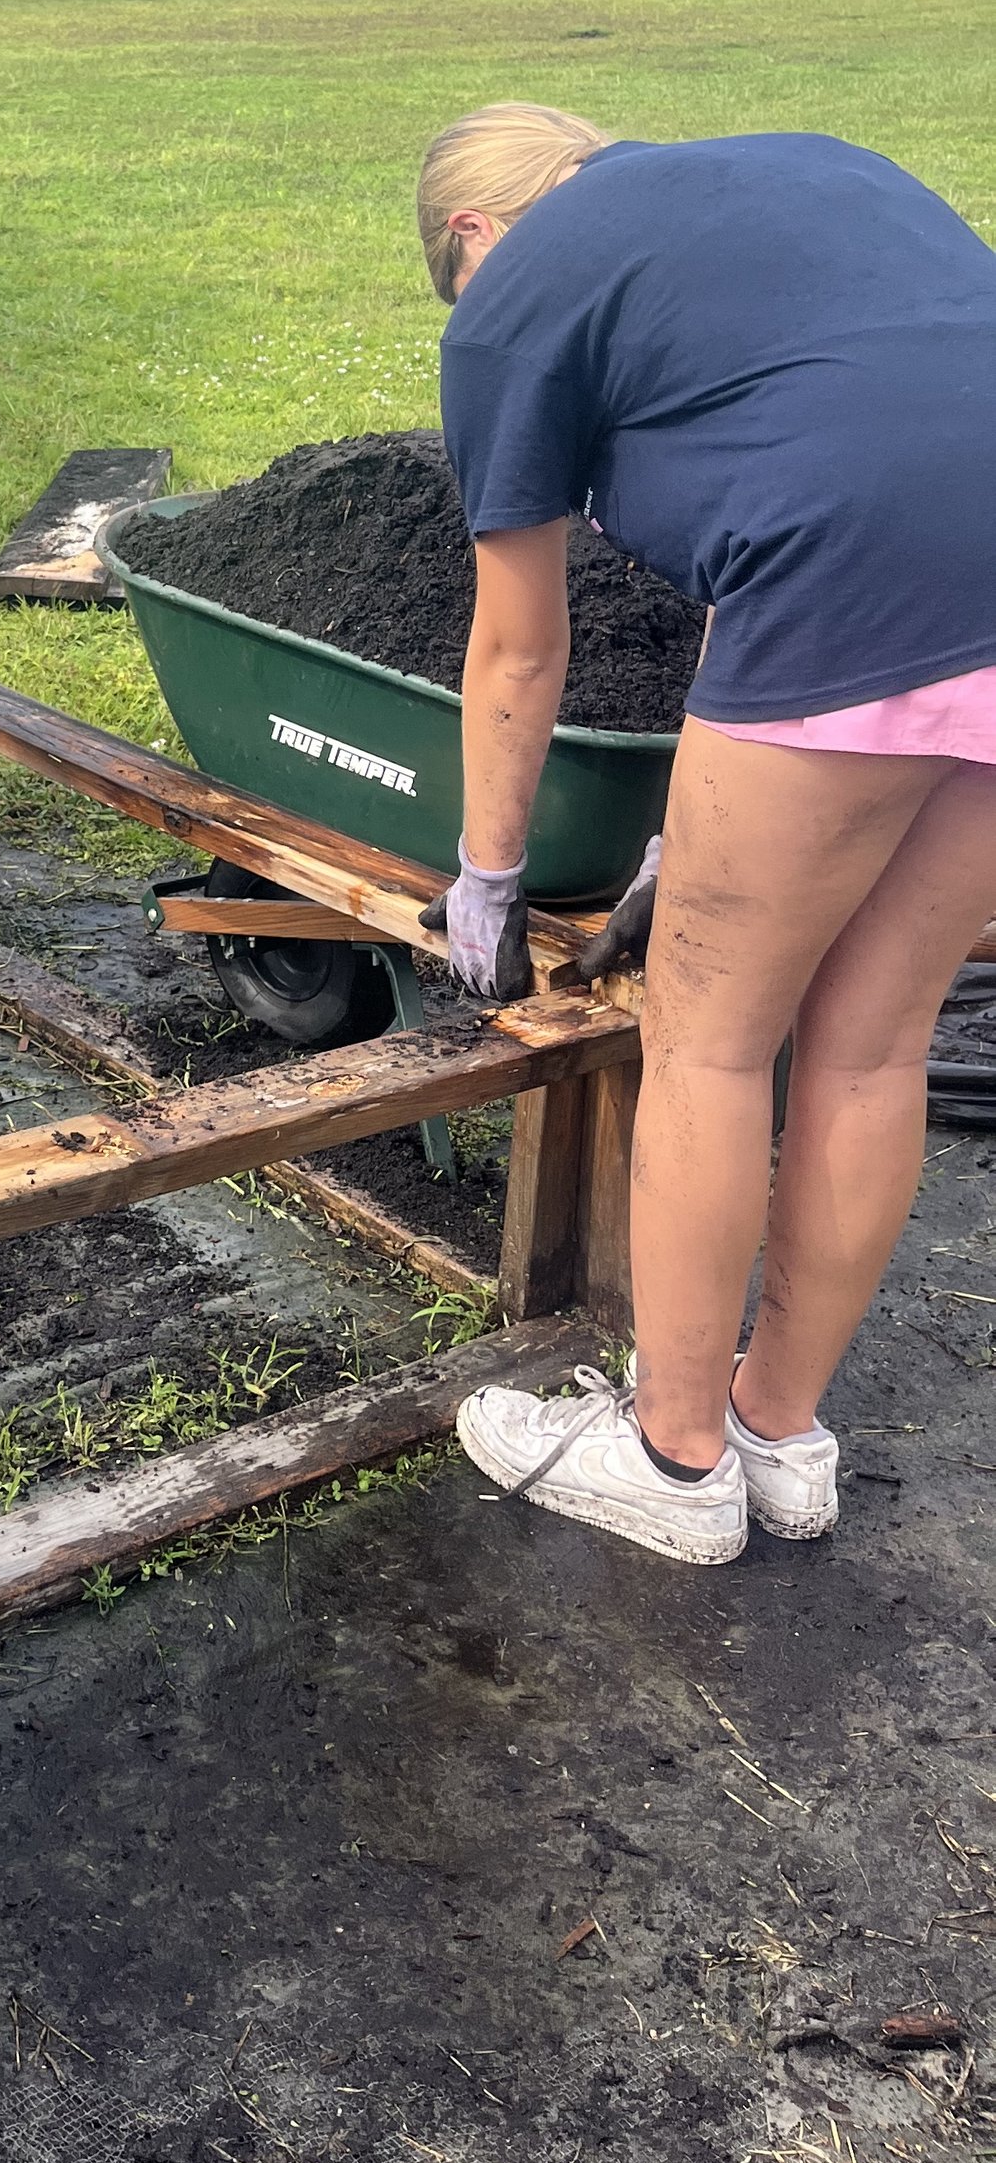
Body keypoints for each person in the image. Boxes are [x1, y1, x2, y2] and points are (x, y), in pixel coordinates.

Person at [412, 102, 996, 1564]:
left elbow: (519, 647)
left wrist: (487, 872)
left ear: (475, 233)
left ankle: (671, 1459)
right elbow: (824, 433)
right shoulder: (808, 168)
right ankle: (778, 1435)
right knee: (875, 1044)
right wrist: (694, 832)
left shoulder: (512, 296)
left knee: (713, 1040)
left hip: (851, 575)